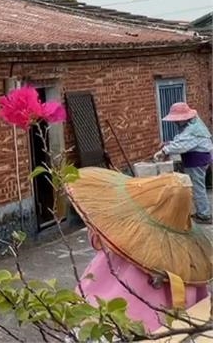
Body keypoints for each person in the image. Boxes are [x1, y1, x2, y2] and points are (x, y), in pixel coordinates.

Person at [67, 168, 212, 334]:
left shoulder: (123, 233)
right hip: (169, 328)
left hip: (109, 316)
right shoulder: (188, 261)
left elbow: (96, 240)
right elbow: (195, 299)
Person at [154, 102, 212, 224]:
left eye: (177, 119)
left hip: (197, 161)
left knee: (198, 188)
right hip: (197, 159)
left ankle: (204, 215)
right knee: (197, 187)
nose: (175, 122)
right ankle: (202, 212)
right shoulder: (193, 123)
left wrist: (164, 150)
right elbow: (182, 139)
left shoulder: (193, 129)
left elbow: (183, 144)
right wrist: (168, 143)